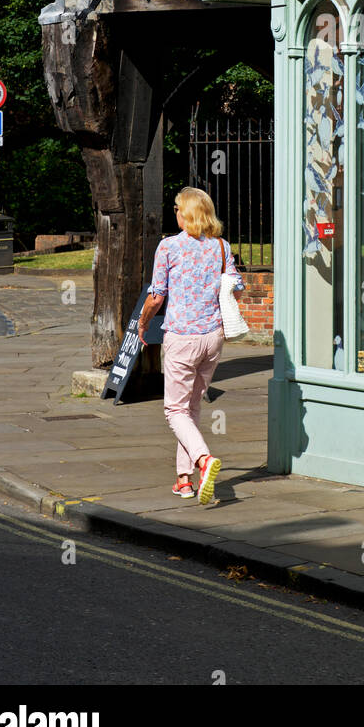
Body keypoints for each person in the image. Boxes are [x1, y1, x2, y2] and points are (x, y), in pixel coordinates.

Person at [138, 187, 245, 504]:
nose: (175, 213)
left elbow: (157, 296)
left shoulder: (168, 247)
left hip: (182, 338)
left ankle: (203, 460)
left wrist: (143, 323)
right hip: (213, 339)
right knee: (192, 407)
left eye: (176, 208)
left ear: (185, 213)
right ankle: (183, 480)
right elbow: (236, 288)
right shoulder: (222, 248)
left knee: (174, 411)